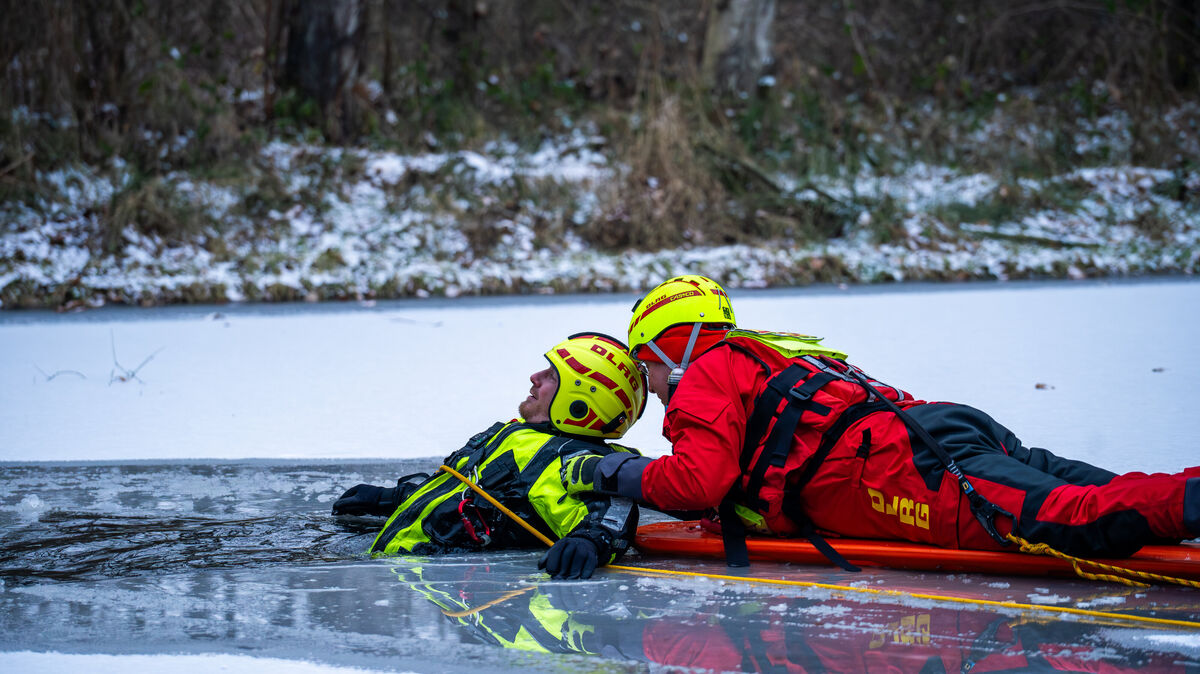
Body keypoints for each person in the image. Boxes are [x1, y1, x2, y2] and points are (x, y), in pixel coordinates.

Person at [562, 275, 1199, 567]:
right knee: (1096, 491)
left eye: (647, 370)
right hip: (934, 430)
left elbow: (700, 481)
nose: (651, 387)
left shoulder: (704, 372)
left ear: (666, 351)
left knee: (1072, 519)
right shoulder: (773, 352)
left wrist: (614, 471)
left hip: (906, 471)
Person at [333, 332, 647, 580]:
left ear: (579, 401)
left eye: (551, 375)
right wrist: (391, 498)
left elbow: (610, 516)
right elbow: (461, 488)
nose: (534, 377)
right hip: (396, 564)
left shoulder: (569, 460)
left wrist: (591, 542)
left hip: (435, 574)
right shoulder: (512, 434)